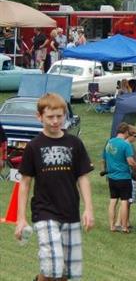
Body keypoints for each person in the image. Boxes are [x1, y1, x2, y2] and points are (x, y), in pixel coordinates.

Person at [16, 92, 94, 281]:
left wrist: (89, 209)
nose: (55, 121)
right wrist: (21, 218)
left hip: (70, 212)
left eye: (59, 116)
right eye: (50, 117)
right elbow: (25, 183)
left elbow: (83, 178)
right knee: (52, 265)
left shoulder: (74, 143)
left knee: (67, 273)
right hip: (44, 212)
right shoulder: (34, 146)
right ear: (39, 117)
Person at [103, 123, 136, 233]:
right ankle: (124, 227)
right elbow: (130, 161)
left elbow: (104, 158)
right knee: (124, 201)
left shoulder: (109, 143)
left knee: (113, 201)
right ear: (126, 132)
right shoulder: (125, 145)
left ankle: (112, 226)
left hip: (111, 177)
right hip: (123, 177)